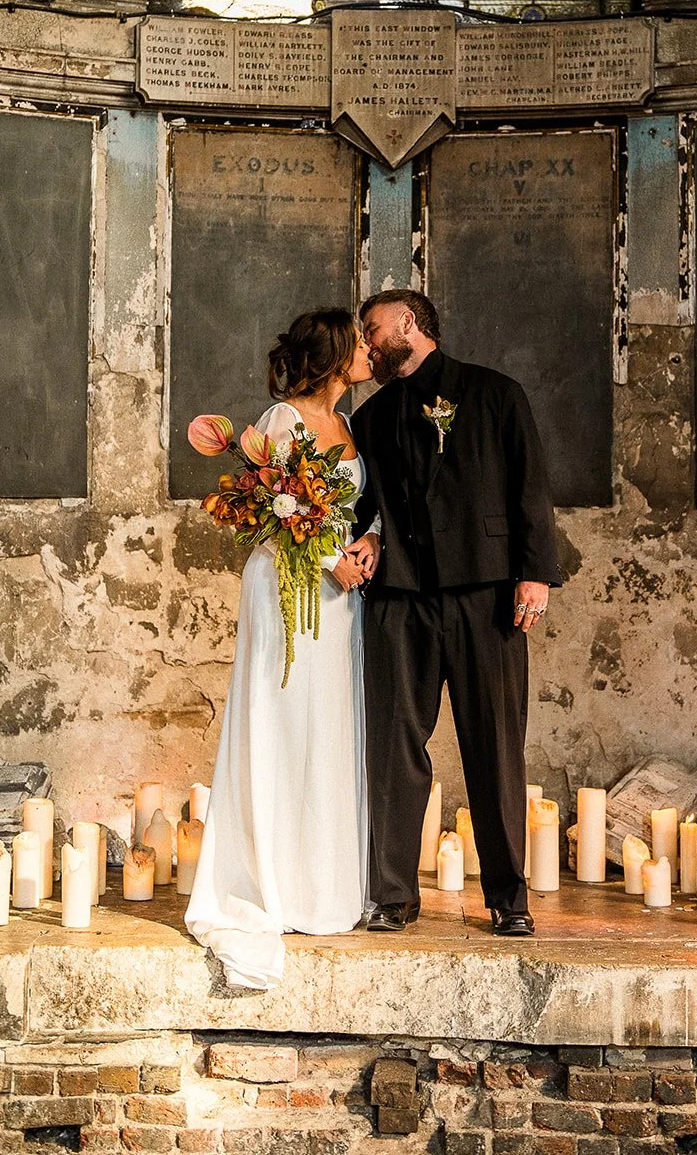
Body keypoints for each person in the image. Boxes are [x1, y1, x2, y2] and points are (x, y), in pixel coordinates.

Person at [346, 289, 559, 937]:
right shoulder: (373, 416)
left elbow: (530, 484)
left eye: (373, 329)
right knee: (391, 750)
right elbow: (362, 506)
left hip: (485, 594)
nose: (367, 341)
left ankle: (507, 899)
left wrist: (534, 574)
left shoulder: (494, 393)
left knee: (493, 748)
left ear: (409, 323)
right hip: (398, 602)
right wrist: (358, 541)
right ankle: (390, 894)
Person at [185, 308, 375, 987]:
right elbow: (276, 515)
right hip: (290, 591)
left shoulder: (350, 426)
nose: (369, 352)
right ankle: (269, 881)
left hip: (340, 600)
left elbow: (361, 507)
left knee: (326, 731)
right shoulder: (282, 422)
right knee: (282, 721)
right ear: (333, 356)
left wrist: (367, 544)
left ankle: (321, 887)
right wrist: (329, 561)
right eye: (359, 344)